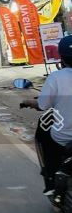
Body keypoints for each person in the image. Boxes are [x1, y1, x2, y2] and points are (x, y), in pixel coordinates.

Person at [20, 36, 72, 194]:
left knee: (44, 134)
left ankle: (51, 179)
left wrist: (28, 101)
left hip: (65, 136)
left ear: (61, 58)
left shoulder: (56, 77)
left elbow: (42, 104)